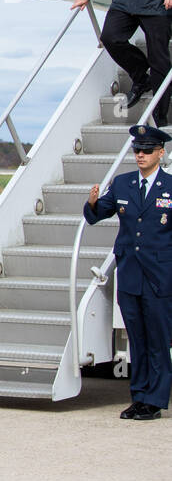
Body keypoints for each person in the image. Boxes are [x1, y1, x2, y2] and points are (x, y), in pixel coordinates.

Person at [83, 124, 172, 420]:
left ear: (161, 153)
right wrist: (92, 202)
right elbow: (97, 215)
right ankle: (140, 397)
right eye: (137, 150)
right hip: (131, 275)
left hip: (160, 276)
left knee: (158, 340)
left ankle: (156, 401)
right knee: (137, 339)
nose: (141, 155)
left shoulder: (170, 188)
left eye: (147, 150)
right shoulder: (123, 184)